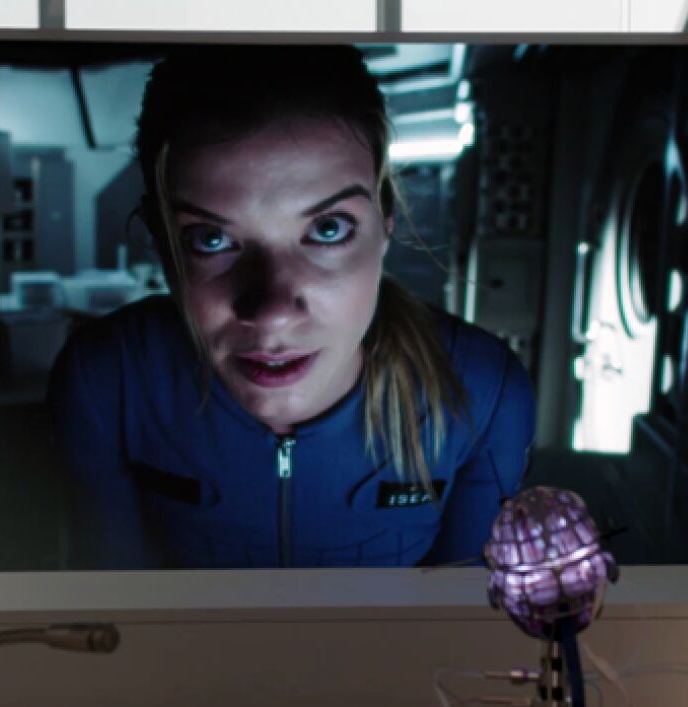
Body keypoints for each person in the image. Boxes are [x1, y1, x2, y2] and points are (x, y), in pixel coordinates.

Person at [47, 44, 535, 569]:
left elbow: (466, 610)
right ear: (161, 243)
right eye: (210, 239)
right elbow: (112, 607)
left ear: (385, 221)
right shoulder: (108, 383)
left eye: (328, 229)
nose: (274, 311)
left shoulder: (483, 394)